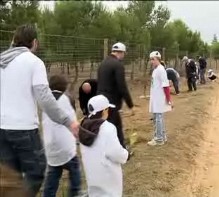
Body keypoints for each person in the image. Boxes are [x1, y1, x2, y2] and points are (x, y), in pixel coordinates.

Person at [0, 24, 79, 197]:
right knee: (35, 172)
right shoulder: (34, 62)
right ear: (34, 42)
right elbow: (45, 99)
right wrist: (68, 121)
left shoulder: (1, 61)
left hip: (2, 129)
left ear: (14, 41)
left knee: (12, 177)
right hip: (24, 129)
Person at [79, 95, 129, 197]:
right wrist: (126, 154)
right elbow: (115, 153)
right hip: (107, 175)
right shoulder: (107, 128)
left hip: (92, 174)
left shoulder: (83, 127)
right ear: (104, 110)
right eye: (107, 109)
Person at [42, 75, 81, 197]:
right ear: (64, 87)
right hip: (64, 145)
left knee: (53, 173)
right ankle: (74, 193)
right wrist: (78, 138)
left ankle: (48, 195)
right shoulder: (65, 99)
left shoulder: (45, 100)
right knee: (75, 170)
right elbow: (72, 121)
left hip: (50, 145)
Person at [97, 42, 134, 148]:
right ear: (121, 53)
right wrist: (130, 104)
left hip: (100, 100)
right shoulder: (118, 65)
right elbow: (122, 86)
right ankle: (122, 152)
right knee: (116, 127)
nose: (123, 56)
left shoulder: (103, 63)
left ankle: (107, 148)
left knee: (105, 126)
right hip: (111, 102)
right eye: (124, 54)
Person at [148, 51, 173, 146]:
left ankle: (159, 139)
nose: (151, 61)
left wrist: (168, 99)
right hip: (155, 97)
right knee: (157, 118)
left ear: (158, 59)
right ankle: (162, 136)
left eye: (153, 59)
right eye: (150, 59)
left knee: (158, 118)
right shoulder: (156, 69)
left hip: (159, 98)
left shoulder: (161, 70)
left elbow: (166, 86)